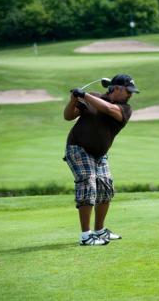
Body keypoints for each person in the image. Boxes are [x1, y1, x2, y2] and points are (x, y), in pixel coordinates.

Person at [63, 74, 139, 246]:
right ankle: (86, 236)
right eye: (128, 91)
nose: (130, 95)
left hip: (100, 154)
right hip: (77, 148)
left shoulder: (125, 108)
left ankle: (99, 231)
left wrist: (83, 95)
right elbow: (68, 116)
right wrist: (73, 100)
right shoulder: (94, 97)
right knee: (88, 183)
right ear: (117, 88)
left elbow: (108, 110)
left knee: (105, 187)